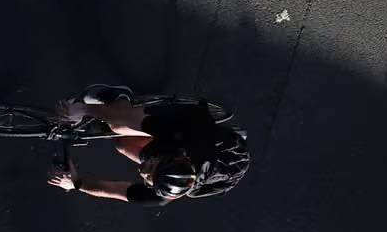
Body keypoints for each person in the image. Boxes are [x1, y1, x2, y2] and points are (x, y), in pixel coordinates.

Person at [45, 85, 249, 206]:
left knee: (123, 144)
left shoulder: (163, 193)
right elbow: (126, 120)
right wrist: (83, 109)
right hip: (197, 131)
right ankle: (120, 96)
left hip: (212, 164)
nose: (142, 171)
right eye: (151, 167)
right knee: (118, 125)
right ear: (169, 155)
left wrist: (76, 184)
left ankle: (108, 116)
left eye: (148, 179)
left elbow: (115, 190)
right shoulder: (178, 136)